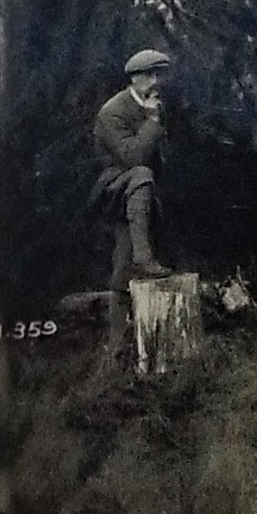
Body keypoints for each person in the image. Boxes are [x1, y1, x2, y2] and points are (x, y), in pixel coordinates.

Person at [90, 49, 174, 355]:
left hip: (143, 193)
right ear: (135, 78)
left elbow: (159, 154)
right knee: (140, 173)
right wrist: (152, 120)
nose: (156, 82)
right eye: (150, 76)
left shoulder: (153, 107)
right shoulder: (113, 111)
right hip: (114, 189)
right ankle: (143, 257)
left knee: (122, 266)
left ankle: (117, 350)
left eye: (159, 75)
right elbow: (133, 157)